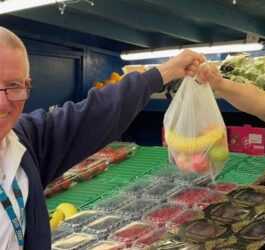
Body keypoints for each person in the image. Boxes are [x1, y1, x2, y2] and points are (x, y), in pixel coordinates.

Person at [0, 26, 205, 250]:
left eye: (14, 85)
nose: (3, 102)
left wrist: (166, 72)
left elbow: (93, 114)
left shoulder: (24, 141)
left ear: (27, 85)